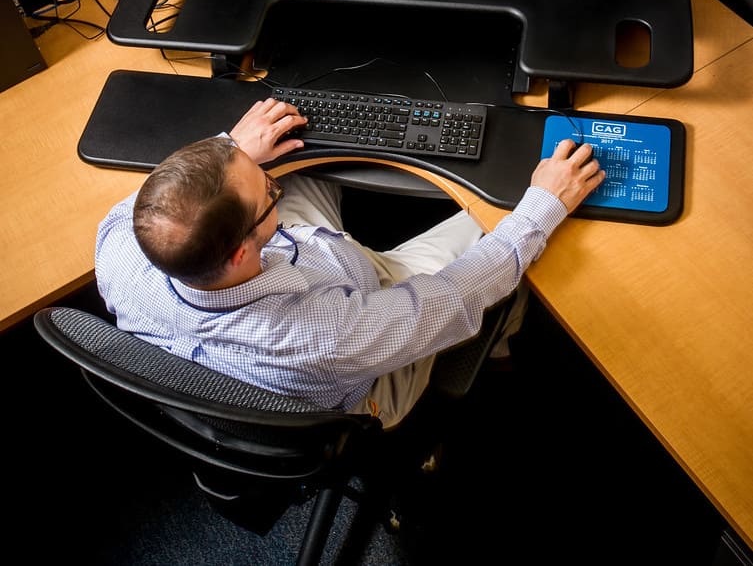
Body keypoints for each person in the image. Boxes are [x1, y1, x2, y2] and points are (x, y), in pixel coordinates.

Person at [96, 96, 605, 428]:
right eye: (266, 195)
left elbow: (163, 198)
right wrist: (543, 203)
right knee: (499, 226)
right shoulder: (329, 334)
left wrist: (233, 148)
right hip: (363, 354)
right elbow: (456, 296)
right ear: (239, 250)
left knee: (298, 158)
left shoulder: (123, 246)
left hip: (293, 273)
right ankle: (502, 344)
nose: (270, 183)